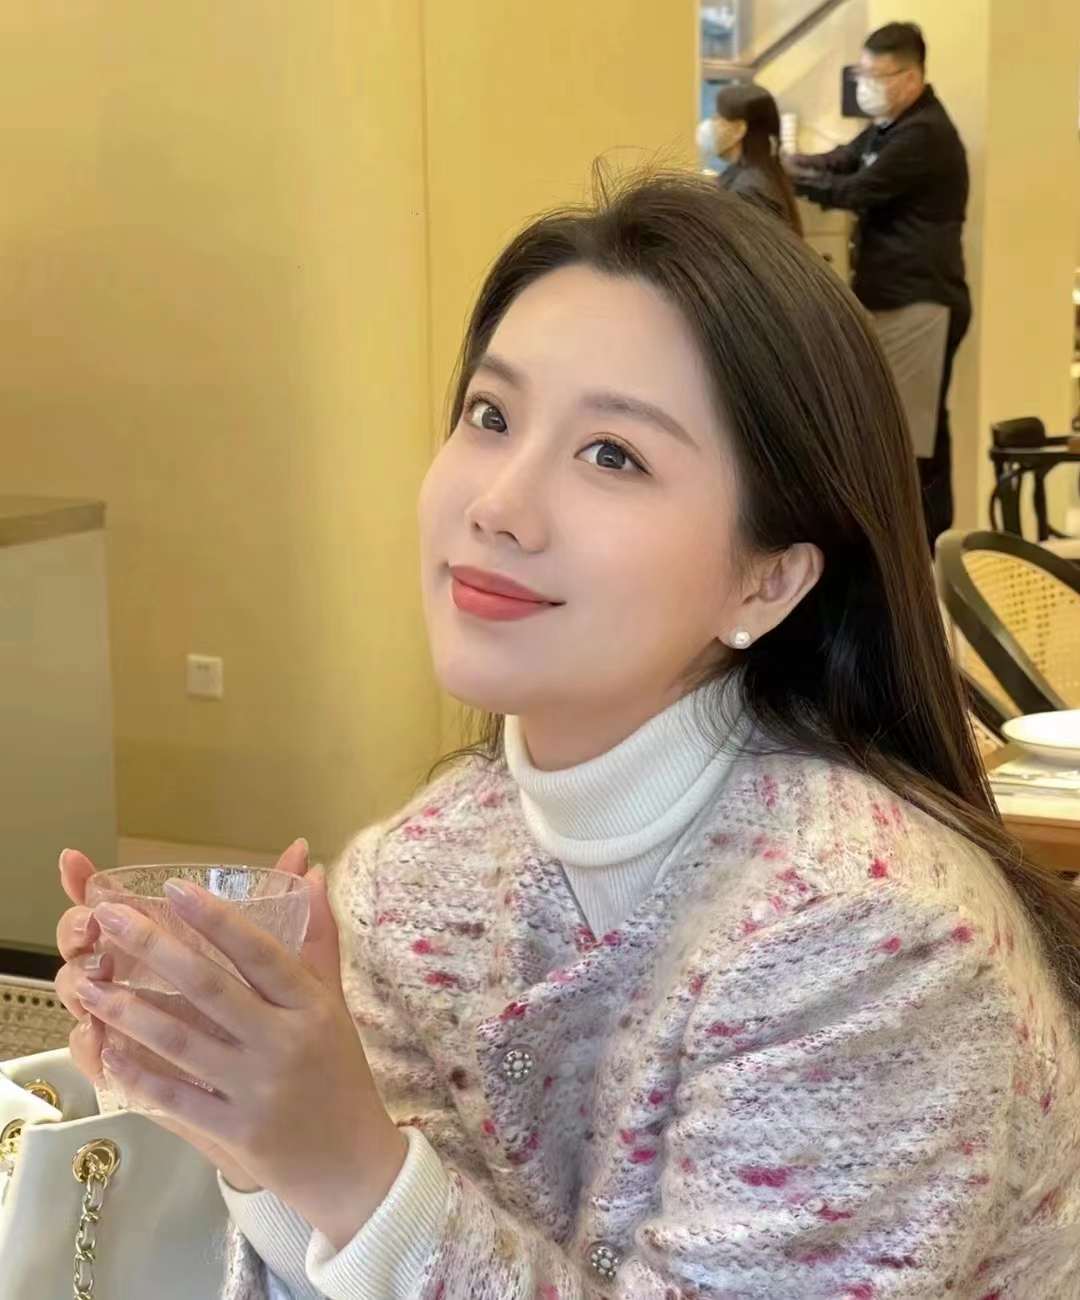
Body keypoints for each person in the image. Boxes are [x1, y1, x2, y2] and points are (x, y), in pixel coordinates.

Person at [53, 174, 1080, 1299]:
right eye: (491, 416)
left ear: (770, 577)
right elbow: (366, 1261)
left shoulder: (869, 936)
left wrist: (347, 1163)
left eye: (613, 455)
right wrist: (251, 1129)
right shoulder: (416, 879)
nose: (498, 504)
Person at [788, 22, 970, 545]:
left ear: (910, 78)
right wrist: (792, 162)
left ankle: (919, 547)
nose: (865, 86)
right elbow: (843, 158)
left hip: (919, 299)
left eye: (876, 76)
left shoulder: (924, 134)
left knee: (911, 437)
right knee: (911, 426)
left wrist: (794, 180)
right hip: (893, 296)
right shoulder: (889, 126)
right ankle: (920, 540)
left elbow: (857, 189)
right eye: (861, 74)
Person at [702, 83, 802, 235]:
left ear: (739, 129)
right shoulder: (755, 174)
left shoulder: (751, 190)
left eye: (718, 117)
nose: (711, 123)